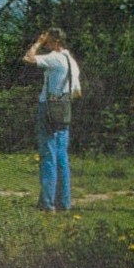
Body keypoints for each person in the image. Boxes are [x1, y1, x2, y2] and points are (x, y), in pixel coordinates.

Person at [22, 27, 81, 213]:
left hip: (48, 108)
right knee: (61, 156)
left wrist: (37, 43)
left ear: (55, 42)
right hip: (64, 108)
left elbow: (28, 58)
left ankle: (47, 203)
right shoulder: (72, 62)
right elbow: (78, 92)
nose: (45, 43)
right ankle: (64, 202)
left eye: (47, 40)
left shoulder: (55, 58)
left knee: (48, 155)